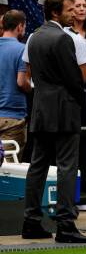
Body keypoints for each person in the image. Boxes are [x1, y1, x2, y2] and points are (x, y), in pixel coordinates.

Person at [21, 0, 86, 244]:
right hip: (63, 110)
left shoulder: (33, 36)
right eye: (69, 9)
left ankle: (31, 221)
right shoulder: (62, 38)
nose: (74, 13)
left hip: (41, 110)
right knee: (66, 166)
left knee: (37, 166)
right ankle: (65, 225)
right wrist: (81, 99)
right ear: (55, 13)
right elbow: (74, 79)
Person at [0, 10, 29, 160]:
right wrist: (30, 87)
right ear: (19, 27)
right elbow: (21, 81)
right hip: (12, 118)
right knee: (8, 170)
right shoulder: (22, 49)